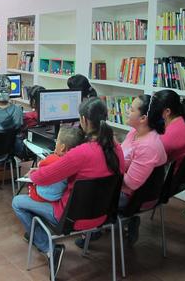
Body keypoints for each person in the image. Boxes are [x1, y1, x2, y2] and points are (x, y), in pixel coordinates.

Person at [12, 97, 124, 278]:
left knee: (18, 202)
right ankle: (40, 237)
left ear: (84, 121)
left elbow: (44, 177)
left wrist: (32, 173)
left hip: (71, 218)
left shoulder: (81, 153)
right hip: (104, 215)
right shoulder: (117, 148)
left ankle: (48, 248)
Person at [120, 94, 167, 245]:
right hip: (128, 189)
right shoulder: (135, 133)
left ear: (143, 118)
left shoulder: (148, 146)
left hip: (132, 197)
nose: (127, 111)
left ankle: (92, 229)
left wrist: (110, 166)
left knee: (84, 192)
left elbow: (131, 183)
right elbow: (122, 157)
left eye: (131, 109)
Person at [28, 126, 84, 202]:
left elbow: (38, 172)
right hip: (61, 197)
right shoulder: (77, 162)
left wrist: (32, 173)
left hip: (47, 197)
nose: (55, 143)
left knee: (17, 201)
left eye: (57, 141)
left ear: (62, 148)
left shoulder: (53, 159)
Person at [154, 89, 185, 173]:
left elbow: (151, 157)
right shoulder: (180, 122)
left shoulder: (174, 131)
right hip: (178, 177)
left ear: (167, 112)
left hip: (169, 180)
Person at [14, 85, 45, 159]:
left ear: (33, 101)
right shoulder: (50, 116)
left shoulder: (27, 117)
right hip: (43, 146)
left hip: (27, 149)